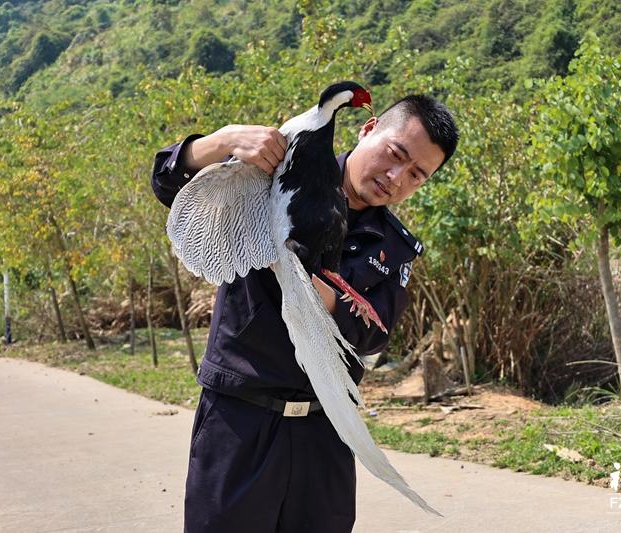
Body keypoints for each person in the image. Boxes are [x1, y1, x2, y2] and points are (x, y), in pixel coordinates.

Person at [151, 94, 458, 533]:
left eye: (416, 175)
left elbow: (372, 334)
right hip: (240, 422)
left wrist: (296, 268)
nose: (396, 178)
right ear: (367, 129)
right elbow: (168, 181)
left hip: (325, 433)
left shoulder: (393, 247)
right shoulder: (275, 174)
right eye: (395, 155)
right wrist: (223, 142)